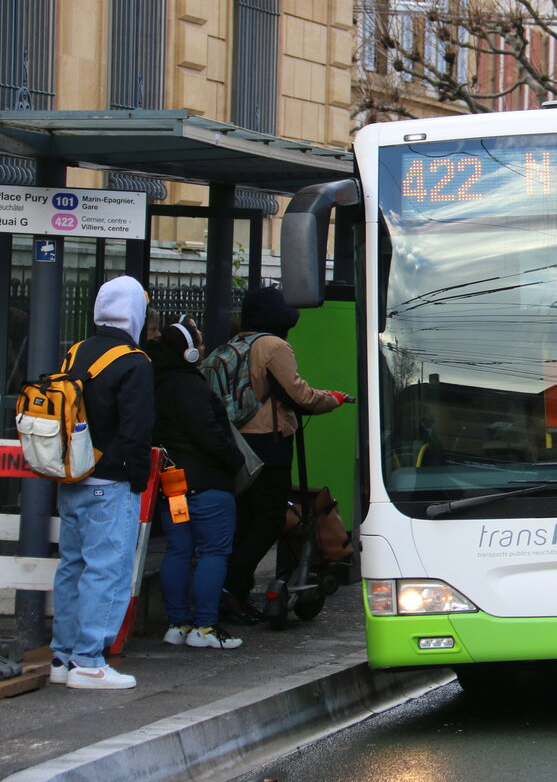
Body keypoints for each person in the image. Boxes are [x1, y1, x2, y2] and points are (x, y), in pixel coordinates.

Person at [48, 276, 154, 690]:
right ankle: (89, 660)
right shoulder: (134, 361)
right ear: (134, 313)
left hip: (72, 477)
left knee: (72, 566)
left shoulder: (76, 352)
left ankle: (62, 655)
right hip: (111, 483)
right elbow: (137, 430)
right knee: (106, 570)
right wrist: (136, 479)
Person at [220, 287, 348, 624]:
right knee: (270, 517)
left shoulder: (234, 344)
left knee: (245, 518)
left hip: (237, 444)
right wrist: (332, 399)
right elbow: (299, 395)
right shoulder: (274, 346)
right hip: (269, 442)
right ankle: (233, 585)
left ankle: (233, 588)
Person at [147, 320, 245, 649]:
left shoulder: (156, 383)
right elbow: (209, 435)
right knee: (214, 552)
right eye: (199, 344)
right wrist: (235, 460)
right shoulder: (190, 385)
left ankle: (178, 625)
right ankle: (205, 628)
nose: (203, 349)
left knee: (178, 549)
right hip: (207, 486)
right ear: (188, 351)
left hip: (174, 487)